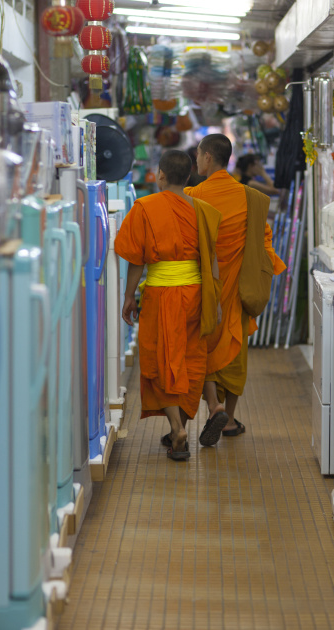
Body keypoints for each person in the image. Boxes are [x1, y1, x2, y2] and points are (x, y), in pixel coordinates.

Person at [114, 149, 222, 461]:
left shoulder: (145, 207)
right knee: (189, 358)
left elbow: (136, 258)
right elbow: (211, 258)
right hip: (196, 295)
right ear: (189, 176)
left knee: (162, 360)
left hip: (161, 295)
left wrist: (128, 297)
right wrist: (213, 299)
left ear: (160, 175)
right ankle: (181, 425)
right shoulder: (202, 209)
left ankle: (177, 428)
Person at [185, 134, 286, 445]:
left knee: (205, 344)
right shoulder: (250, 197)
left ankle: (213, 405)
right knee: (235, 347)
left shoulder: (193, 195)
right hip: (239, 286)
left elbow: (187, 241)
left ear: (207, 158)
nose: (197, 161)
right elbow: (264, 241)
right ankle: (228, 418)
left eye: (199, 156)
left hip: (206, 286)